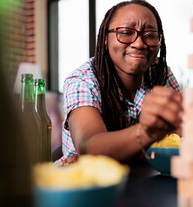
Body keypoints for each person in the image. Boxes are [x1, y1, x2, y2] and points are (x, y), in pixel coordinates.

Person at [57, 0, 183, 166]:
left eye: (150, 35)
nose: (139, 44)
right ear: (105, 39)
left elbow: (182, 134)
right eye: (125, 32)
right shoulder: (83, 80)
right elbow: (90, 147)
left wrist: (117, 154)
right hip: (88, 183)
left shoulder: (160, 72)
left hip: (143, 179)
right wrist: (147, 133)